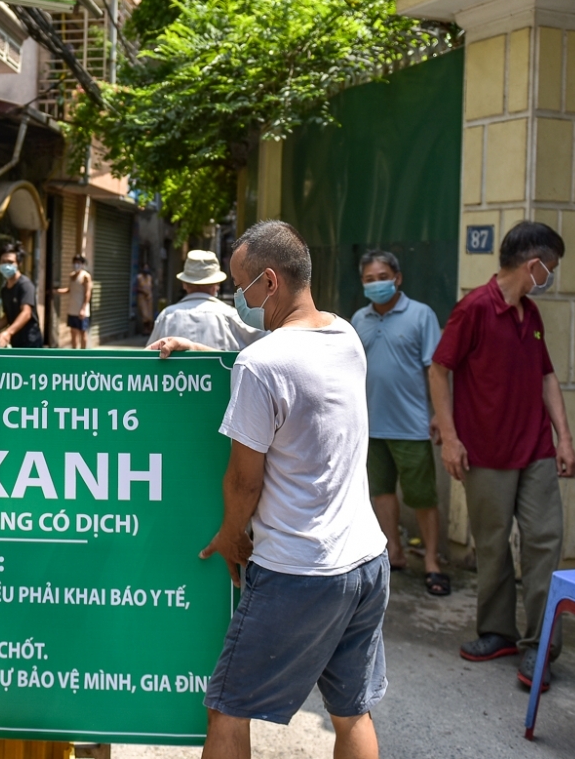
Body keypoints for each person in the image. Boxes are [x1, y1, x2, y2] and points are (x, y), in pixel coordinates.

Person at [200, 221, 389, 759]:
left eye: (240, 286)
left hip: (299, 571)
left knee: (228, 708)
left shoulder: (260, 365)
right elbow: (293, 366)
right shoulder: (345, 336)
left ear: (268, 281)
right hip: (365, 562)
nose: (236, 298)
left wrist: (230, 536)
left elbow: (244, 479)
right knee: (352, 713)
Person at [429, 220, 575, 692]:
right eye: (550, 267)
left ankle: (541, 645)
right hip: (487, 453)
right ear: (534, 265)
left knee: (544, 543)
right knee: (492, 546)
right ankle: (497, 632)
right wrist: (450, 438)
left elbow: (546, 377)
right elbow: (440, 370)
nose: (551, 275)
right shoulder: (474, 308)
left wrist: (565, 438)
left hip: (535, 449)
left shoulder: (529, 315)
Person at [351, 250, 448, 596]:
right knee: (381, 492)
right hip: (370, 425)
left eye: (383, 277)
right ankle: (393, 550)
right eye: (369, 279)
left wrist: (440, 415)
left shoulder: (421, 315)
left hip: (411, 425)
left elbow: (434, 370)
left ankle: (432, 561)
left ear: (398, 278)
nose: (376, 284)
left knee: (422, 496)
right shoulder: (359, 319)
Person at [146, 250, 265, 352]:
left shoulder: (167, 316)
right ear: (216, 285)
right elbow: (266, 346)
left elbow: (148, 357)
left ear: (184, 284)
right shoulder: (232, 316)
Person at [0, 242, 43, 348]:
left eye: (10, 262)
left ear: (19, 264)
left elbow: (26, 312)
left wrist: (8, 332)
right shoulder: (5, 289)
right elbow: (8, 316)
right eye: (3, 262)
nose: (6, 265)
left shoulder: (25, 285)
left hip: (30, 341)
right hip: (16, 340)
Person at [54, 254, 92, 348]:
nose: (76, 265)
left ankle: (83, 353)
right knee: (73, 332)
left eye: (78, 263)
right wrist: (56, 291)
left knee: (82, 332)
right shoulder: (72, 276)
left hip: (81, 310)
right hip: (72, 309)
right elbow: (70, 290)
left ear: (82, 264)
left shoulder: (86, 276)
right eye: (75, 263)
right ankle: (74, 352)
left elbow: (87, 293)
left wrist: (83, 308)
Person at [136, 264, 154, 335]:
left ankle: (149, 329)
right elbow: (136, 288)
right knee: (144, 314)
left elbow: (151, 286)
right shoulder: (139, 277)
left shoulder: (149, 277)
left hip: (149, 297)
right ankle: (145, 329)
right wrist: (143, 291)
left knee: (150, 314)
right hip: (142, 297)